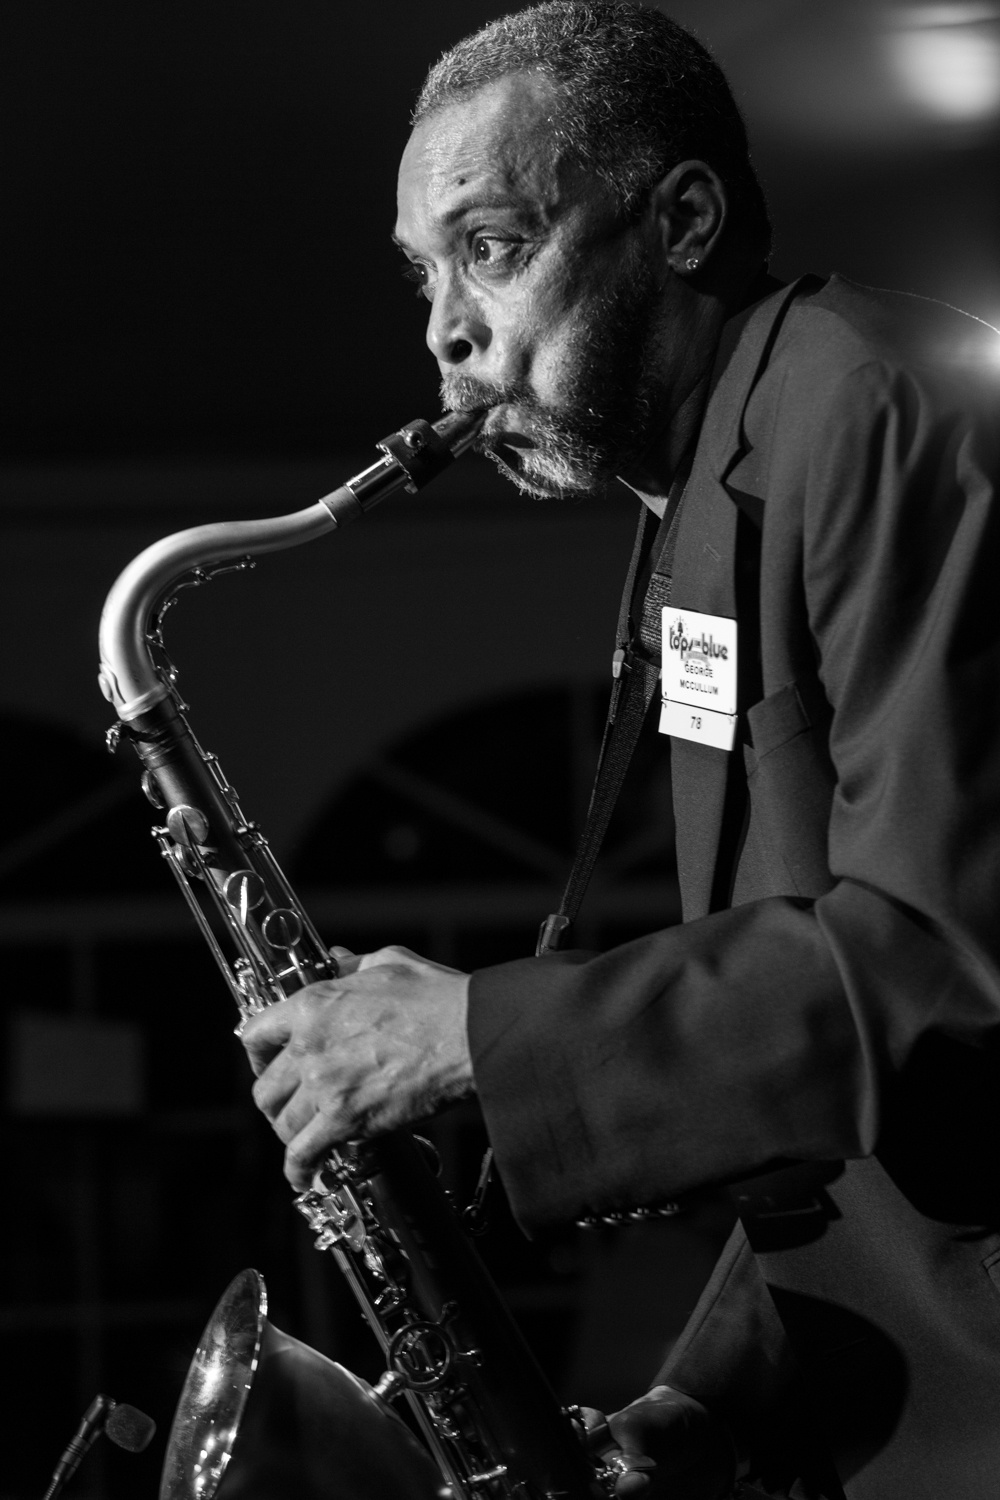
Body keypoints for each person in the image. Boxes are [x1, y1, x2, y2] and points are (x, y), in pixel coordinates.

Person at [241, 4, 1000, 1496]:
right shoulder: (700, 496)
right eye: (424, 272)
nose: (444, 331)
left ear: (684, 221)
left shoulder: (879, 401)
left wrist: (477, 1036)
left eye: (493, 246)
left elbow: (940, 974)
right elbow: (829, 1122)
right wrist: (696, 1411)